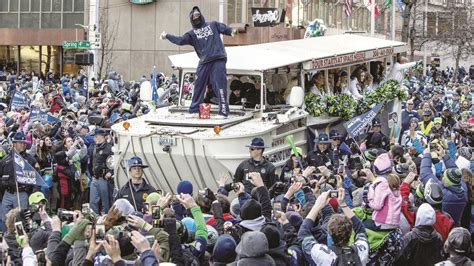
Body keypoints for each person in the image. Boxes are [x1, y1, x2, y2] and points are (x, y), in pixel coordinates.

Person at [161, 6, 237, 119]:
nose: (196, 18)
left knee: (219, 84)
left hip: (217, 58)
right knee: (199, 84)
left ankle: (223, 112)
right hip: (204, 61)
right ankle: (194, 110)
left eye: (198, 15)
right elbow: (180, 40)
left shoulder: (213, 25)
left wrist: (232, 32)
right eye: (194, 16)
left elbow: (225, 28)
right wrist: (167, 36)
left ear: (201, 16)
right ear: (191, 18)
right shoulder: (192, 34)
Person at [298, 189, 369, 265]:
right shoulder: (361, 251)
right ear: (351, 232)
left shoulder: (323, 255)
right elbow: (360, 229)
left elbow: (303, 234)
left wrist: (317, 206)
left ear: (329, 232)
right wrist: (343, 205)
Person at [0, 132, 39, 224]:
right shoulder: (5, 160)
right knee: (6, 219)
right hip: (7, 193)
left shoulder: (30, 160)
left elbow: (36, 178)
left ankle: (22, 237)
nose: (23, 145)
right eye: (20, 142)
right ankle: (8, 237)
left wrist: (33, 194)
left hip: (22, 193)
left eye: (24, 143)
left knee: (21, 219)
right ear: (14, 144)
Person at [87, 128, 114, 214]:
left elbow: (114, 162)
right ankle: (94, 219)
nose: (94, 139)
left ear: (102, 136)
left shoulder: (109, 148)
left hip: (104, 178)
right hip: (95, 178)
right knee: (93, 201)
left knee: (106, 202)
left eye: (96, 136)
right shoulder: (94, 147)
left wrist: (111, 172)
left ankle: (107, 219)